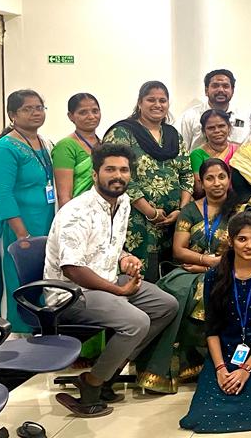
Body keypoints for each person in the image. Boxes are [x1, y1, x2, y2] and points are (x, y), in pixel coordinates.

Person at [46, 143, 179, 417]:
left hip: (106, 281)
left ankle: (106, 372)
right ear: (95, 174)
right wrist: (118, 291)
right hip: (72, 293)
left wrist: (125, 258)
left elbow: (108, 246)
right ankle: (91, 385)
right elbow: (72, 269)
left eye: (124, 170)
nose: (118, 176)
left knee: (167, 305)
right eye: (110, 169)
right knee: (136, 321)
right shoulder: (76, 212)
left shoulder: (123, 203)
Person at [134, 158, 244, 394]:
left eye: (221, 177)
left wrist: (208, 267)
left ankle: (210, 363)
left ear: (229, 179)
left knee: (208, 293)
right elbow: (179, 250)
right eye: (210, 178)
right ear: (201, 183)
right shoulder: (191, 210)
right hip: (190, 269)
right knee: (175, 294)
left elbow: (245, 250)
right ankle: (176, 368)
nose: (217, 183)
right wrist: (206, 261)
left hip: (232, 270)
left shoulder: (240, 210)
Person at [179, 211, 251, 433]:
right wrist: (220, 368)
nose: (249, 245)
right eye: (242, 239)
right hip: (223, 351)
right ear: (231, 240)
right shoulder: (215, 275)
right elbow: (212, 328)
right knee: (201, 417)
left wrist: (246, 368)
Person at [104, 81, 194, 281]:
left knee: (170, 276)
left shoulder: (173, 135)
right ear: (140, 103)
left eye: (163, 100)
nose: (157, 105)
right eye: (151, 100)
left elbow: (186, 173)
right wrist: (150, 212)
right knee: (137, 277)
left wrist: (182, 210)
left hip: (172, 221)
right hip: (136, 220)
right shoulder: (122, 132)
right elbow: (118, 177)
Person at [0, 90, 57, 332]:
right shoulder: (5, 148)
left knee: (40, 278)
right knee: (17, 279)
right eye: (28, 108)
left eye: (39, 107)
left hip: (44, 221)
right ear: (12, 114)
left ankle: (39, 330)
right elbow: (3, 194)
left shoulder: (44, 142)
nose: (36, 113)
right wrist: (21, 233)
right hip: (17, 226)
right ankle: (14, 333)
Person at [176, 69, 248, 152]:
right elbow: (180, 150)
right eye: (215, 86)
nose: (221, 90)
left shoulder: (244, 118)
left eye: (225, 86)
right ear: (206, 91)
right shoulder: (190, 117)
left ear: (232, 90)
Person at [53, 93, 102, 207]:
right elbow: (64, 197)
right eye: (83, 112)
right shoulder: (65, 146)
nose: (91, 116)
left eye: (95, 111)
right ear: (71, 116)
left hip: (103, 211)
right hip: (77, 211)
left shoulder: (103, 144)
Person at [189, 109, 238, 197]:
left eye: (221, 126)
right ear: (204, 131)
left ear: (229, 127)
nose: (217, 131)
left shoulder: (238, 151)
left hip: (238, 200)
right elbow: (199, 188)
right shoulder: (197, 155)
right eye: (211, 128)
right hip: (208, 200)